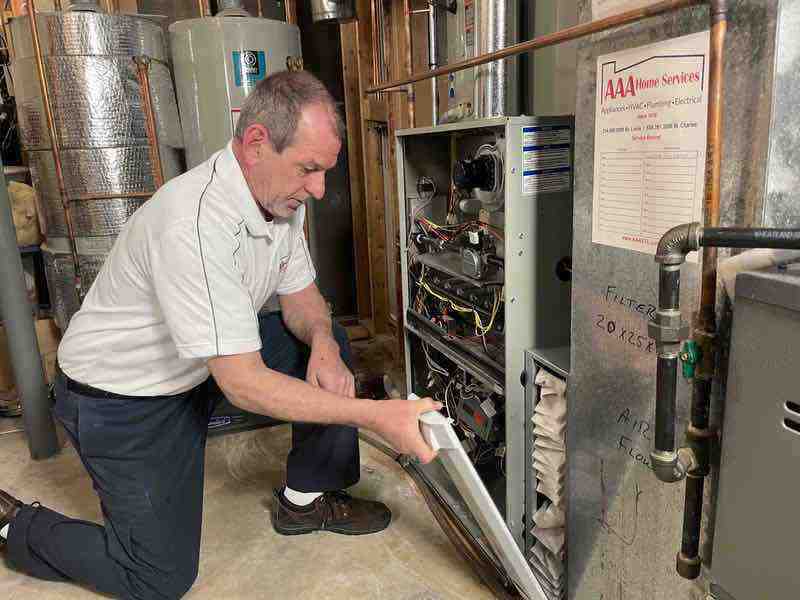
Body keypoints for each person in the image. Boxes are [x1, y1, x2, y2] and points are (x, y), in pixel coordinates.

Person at [0, 71, 439, 599]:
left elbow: (302, 301)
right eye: (309, 169)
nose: (320, 189)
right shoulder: (195, 224)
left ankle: (304, 501)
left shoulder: (278, 202)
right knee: (157, 578)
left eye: (325, 171)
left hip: (196, 368)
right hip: (121, 401)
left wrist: (323, 343)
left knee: (325, 348)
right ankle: (13, 523)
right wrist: (376, 415)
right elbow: (245, 384)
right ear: (256, 143)